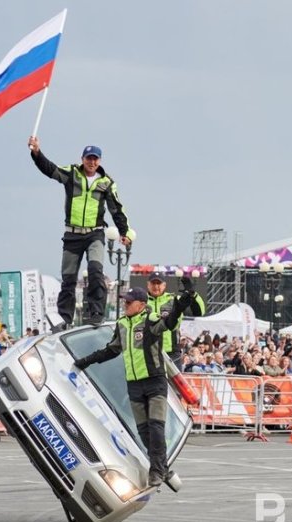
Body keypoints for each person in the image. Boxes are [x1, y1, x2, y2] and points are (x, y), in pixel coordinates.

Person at [73, 280, 195, 487]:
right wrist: (86, 361)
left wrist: (183, 303)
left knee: (156, 427)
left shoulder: (151, 319)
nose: (125, 305)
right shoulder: (121, 323)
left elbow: (170, 322)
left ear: (141, 304)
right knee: (144, 432)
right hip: (134, 385)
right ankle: (163, 468)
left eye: (129, 303)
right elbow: (112, 349)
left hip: (155, 381)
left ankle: (156, 471)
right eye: (125, 302)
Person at [28, 136, 134, 328]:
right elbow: (50, 169)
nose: (92, 162)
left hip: (95, 234)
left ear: (99, 161)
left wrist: (123, 231)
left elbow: (116, 208)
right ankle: (64, 319)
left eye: (95, 159)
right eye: (88, 158)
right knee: (68, 279)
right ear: (82, 159)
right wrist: (36, 152)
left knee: (95, 271)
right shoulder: (72, 174)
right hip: (72, 234)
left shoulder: (107, 182)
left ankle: (96, 313)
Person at [146, 274, 205, 366]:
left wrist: (193, 294)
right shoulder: (141, 302)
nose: (156, 286)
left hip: (172, 354)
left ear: (164, 285)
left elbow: (199, 312)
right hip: (148, 352)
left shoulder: (174, 299)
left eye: (159, 283)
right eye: (153, 283)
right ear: (148, 285)